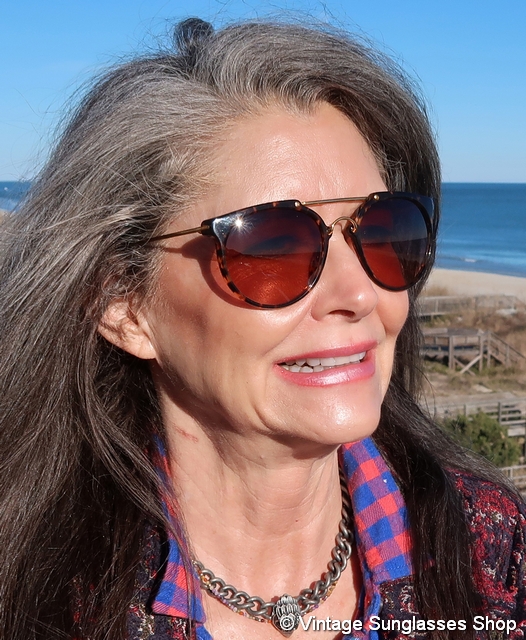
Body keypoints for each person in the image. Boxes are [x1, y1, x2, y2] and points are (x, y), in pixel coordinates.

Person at [0, 16, 524, 640]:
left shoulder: (493, 558)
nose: (361, 293)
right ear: (123, 305)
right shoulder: (35, 598)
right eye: (273, 246)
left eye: (385, 231)